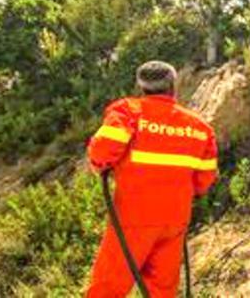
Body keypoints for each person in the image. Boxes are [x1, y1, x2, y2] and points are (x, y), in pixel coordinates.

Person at [85, 61, 217, 298]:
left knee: (107, 289)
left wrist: (99, 165)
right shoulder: (200, 128)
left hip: (133, 218)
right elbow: (204, 180)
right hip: (174, 220)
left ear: (141, 86)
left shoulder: (128, 111)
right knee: (162, 291)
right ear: (173, 85)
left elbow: (102, 151)